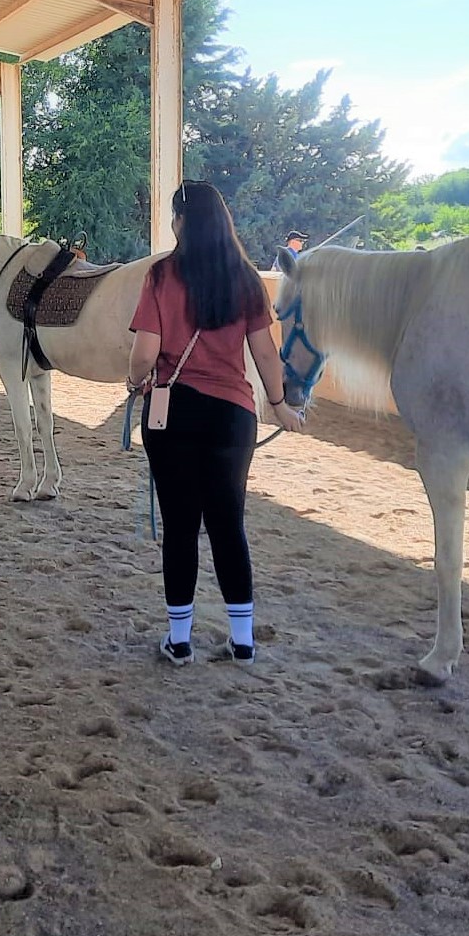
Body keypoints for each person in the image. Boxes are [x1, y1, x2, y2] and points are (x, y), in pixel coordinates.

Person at [128, 182, 304, 666]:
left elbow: (144, 352)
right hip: (232, 416)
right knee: (229, 527)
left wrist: (134, 380)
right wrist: (280, 404)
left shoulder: (162, 275)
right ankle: (243, 640)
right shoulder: (246, 278)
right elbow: (265, 352)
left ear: (182, 220)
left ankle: (180, 641)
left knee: (181, 527)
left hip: (173, 413)